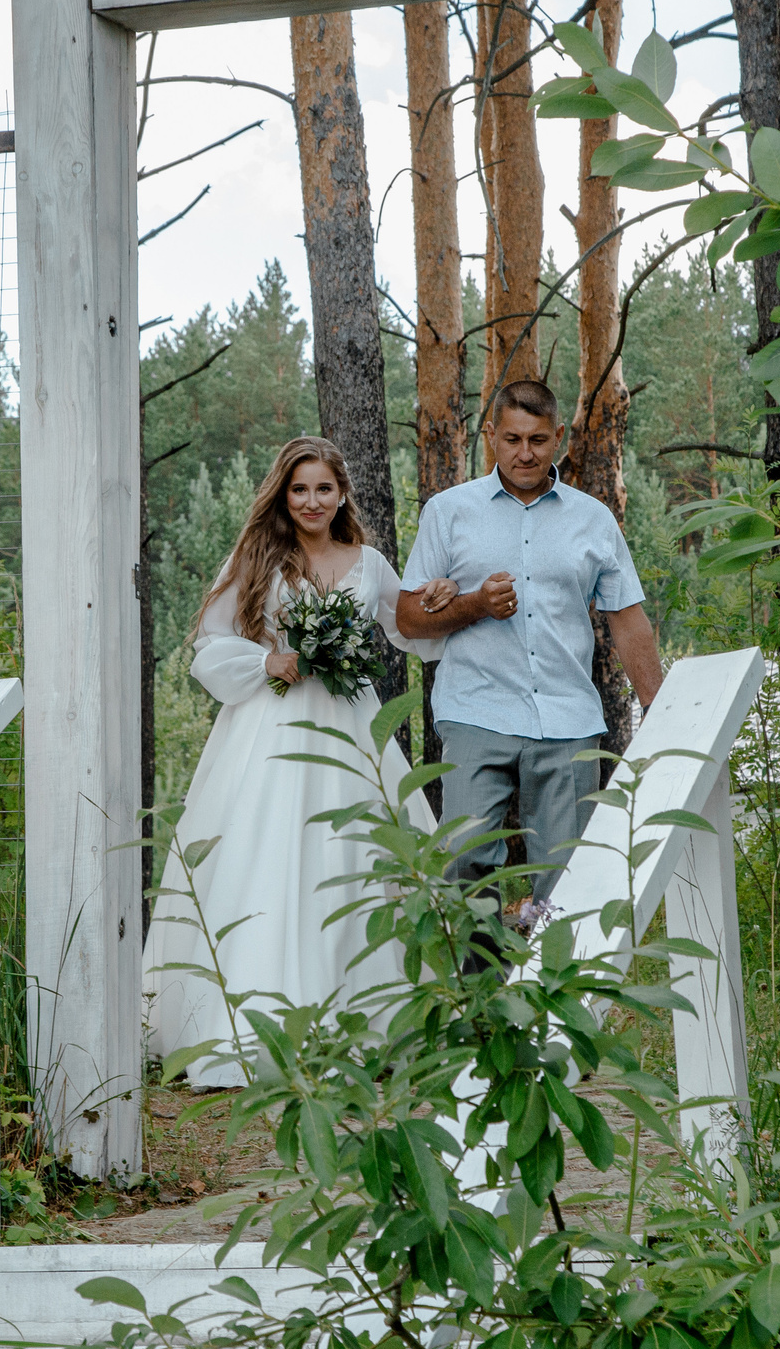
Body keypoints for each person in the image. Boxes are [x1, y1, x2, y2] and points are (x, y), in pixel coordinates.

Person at [142, 436, 443, 1087]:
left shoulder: (369, 563)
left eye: (324, 489)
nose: (312, 501)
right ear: (283, 494)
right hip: (270, 727)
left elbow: (409, 626)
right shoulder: (257, 557)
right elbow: (211, 647)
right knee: (268, 858)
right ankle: (247, 1029)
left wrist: (447, 602)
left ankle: (369, 1027)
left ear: (342, 495)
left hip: (351, 723)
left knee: (358, 855)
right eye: (299, 489)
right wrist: (268, 660)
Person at [397, 378, 663, 909]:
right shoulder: (448, 512)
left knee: (569, 875)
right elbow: (407, 618)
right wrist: (475, 604)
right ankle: (482, 991)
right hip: (476, 710)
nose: (525, 453)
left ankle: (559, 989)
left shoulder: (593, 519)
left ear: (558, 436)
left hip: (567, 718)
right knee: (463, 862)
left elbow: (627, 620)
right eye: (513, 438)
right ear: (491, 434)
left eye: (538, 440)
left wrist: (660, 705)